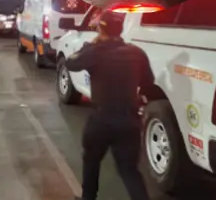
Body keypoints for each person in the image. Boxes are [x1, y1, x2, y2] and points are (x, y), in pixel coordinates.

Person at [65, 10, 154, 200]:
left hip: (102, 120)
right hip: (129, 121)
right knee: (129, 170)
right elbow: (148, 83)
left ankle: (88, 198)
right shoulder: (136, 52)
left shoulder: (95, 51)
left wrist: (88, 47)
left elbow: (71, 64)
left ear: (100, 28)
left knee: (92, 161)